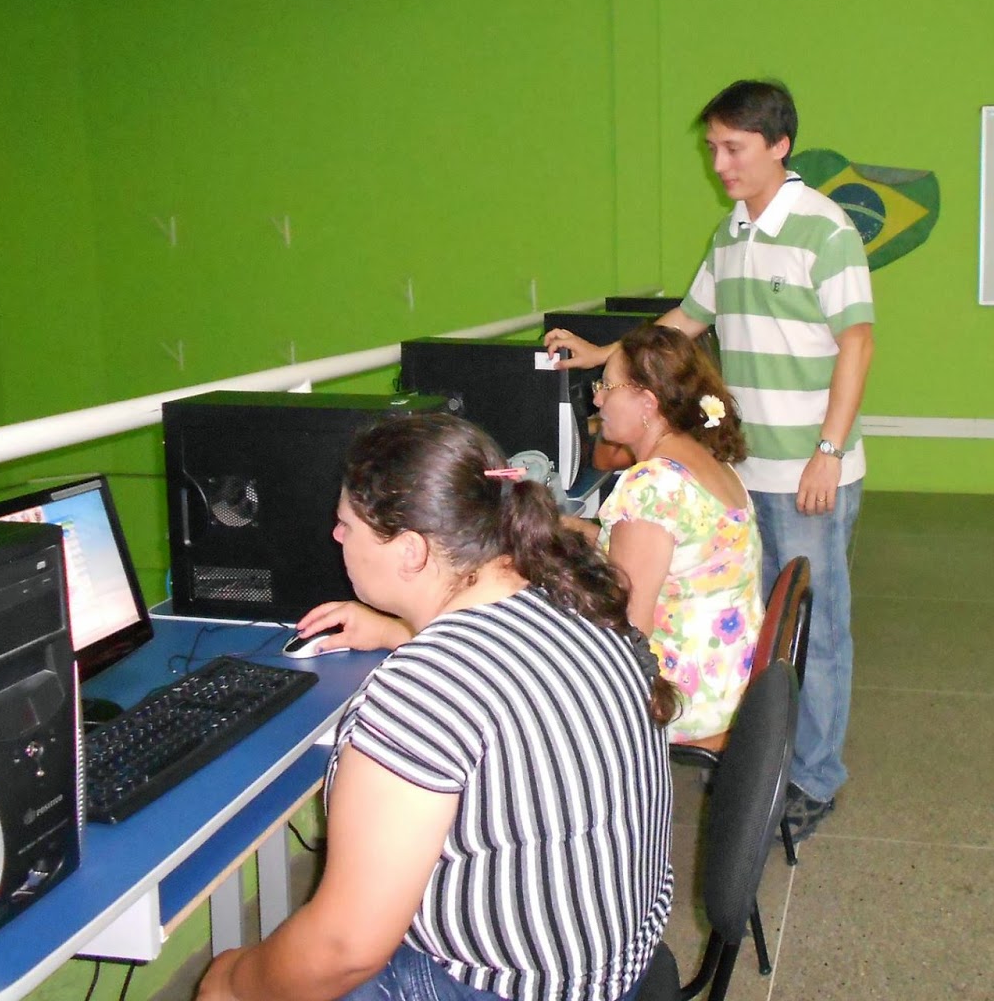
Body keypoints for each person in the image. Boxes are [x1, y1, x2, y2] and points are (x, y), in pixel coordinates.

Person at [196, 413, 675, 1001]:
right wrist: (399, 631)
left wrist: (233, 981)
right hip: (618, 967)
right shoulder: (574, 602)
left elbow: (346, 949)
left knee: (253, 976)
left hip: (507, 989)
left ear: (411, 551)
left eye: (347, 524)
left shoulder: (425, 688)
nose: (336, 537)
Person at [546, 79, 874, 846]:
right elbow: (686, 322)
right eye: (713, 149)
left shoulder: (825, 230)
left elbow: (858, 342)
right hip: (750, 470)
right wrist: (602, 355)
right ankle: (762, 755)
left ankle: (815, 778)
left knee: (817, 630)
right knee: (751, 624)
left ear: (779, 145)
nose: (720, 163)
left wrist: (828, 451)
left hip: (811, 471)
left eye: (734, 148)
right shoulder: (731, 234)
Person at [577, 322, 763, 749]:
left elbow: (628, 631)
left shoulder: (652, 488)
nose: (598, 400)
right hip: (729, 682)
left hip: (682, 697)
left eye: (606, 387)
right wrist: (577, 532)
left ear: (647, 402)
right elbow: (673, 558)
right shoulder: (704, 460)